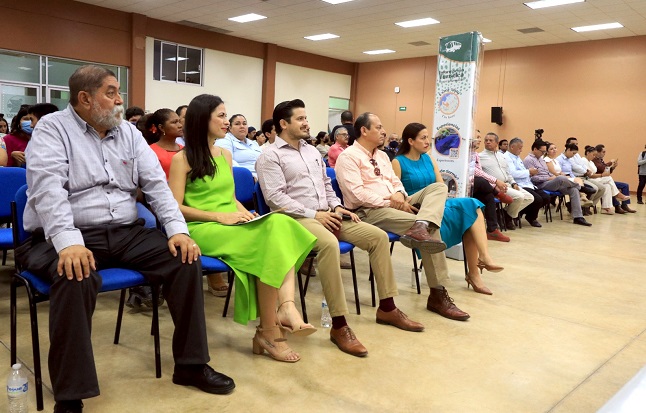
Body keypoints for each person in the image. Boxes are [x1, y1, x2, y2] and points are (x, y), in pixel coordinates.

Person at [16, 65, 235, 413]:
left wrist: (178, 231)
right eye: (111, 92)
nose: (120, 100)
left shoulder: (128, 133)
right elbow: (47, 191)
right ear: (85, 98)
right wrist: (69, 243)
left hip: (124, 231)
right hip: (58, 234)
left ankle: (191, 366)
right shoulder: (53, 129)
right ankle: (70, 395)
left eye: (119, 92)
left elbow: (157, 187)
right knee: (75, 275)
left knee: (184, 259)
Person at [256, 99, 423, 357]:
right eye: (300, 119)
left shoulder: (312, 152)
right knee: (329, 245)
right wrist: (315, 214)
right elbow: (275, 198)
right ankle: (339, 325)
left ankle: (388, 308)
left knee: (377, 237)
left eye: (306, 118)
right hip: (295, 219)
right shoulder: (270, 155)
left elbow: (326, 185)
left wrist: (336, 206)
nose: (306, 123)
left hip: (328, 214)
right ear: (283, 124)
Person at [169, 94, 317, 363]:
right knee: (269, 243)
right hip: (202, 227)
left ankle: (284, 310)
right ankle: (270, 329)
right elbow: (175, 207)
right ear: (202, 120)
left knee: (281, 222)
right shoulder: (182, 159)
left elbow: (230, 198)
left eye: (226, 115)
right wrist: (219, 217)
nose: (227, 121)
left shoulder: (224, 155)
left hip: (229, 221)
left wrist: (243, 212)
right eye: (221, 116)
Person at [336, 112, 471, 322]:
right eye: (378, 127)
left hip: (396, 202)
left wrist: (399, 194)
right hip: (369, 210)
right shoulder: (348, 157)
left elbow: (395, 182)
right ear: (364, 130)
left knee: (438, 188)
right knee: (431, 229)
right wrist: (392, 202)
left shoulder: (382, 156)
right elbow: (357, 195)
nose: (383, 131)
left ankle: (422, 223)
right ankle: (437, 294)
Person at [392, 123, 503, 295]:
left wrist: (439, 203)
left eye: (428, 137)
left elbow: (440, 186)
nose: (428, 141)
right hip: (416, 208)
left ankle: (483, 259)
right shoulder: (397, 162)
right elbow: (397, 191)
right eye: (423, 138)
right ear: (411, 141)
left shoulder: (429, 159)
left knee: (472, 207)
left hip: (437, 203)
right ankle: (475, 273)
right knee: (468, 217)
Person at [523, 140, 592, 226]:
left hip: (551, 182)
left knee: (573, 190)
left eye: (544, 151)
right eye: (542, 151)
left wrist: (552, 176)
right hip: (541, 184)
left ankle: (578, 217)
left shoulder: (541, 159)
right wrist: (550, 178)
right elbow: (533, 178)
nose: (543, 153)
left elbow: (548, 172)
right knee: (560, 178)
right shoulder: (528, 160)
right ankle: (581, 188)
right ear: (535, 149)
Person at [479, 132, 534, 230]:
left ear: (497, 143)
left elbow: (508, 173)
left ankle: (503, 214)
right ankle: (508, 218)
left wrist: (513, 183)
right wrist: (493, 184)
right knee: (519, 196)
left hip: (508, 184)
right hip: (496, 187)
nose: (488, 142)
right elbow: (480, 174)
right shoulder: (480, 157)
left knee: (530, 198)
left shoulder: (501, 156)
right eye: (486, 140)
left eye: (491, 140)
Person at [470, 131, 512, 241]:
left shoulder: (475, 154)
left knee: (488, 197)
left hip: (478, 187)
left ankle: (492, 230)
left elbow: (507, 172)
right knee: (481, 181)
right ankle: (497, 193)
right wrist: (495, 182)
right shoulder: (466, 153)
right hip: (465, 187)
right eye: (478, 137)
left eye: (480, 137)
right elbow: (474, 171)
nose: (480, 140)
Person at [504, 137, 550, 227]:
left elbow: (522, 171)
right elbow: (513, 173)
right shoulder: (507, 157)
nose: (521, 150)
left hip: (528, 183)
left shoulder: (517, 157)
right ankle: (531, 217)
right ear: (512, 147)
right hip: (519, 184)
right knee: (537, 199)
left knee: (546, 198)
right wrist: (528, 172)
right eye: (520, 148)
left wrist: (530, 173)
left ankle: (519, 212)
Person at [583, 146, 629, 214]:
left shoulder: (592, 162)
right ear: (588, 153)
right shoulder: (584, 160)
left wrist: (612, 168)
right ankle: (617, 194)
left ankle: (606, 208)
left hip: (597, 178)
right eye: (593, 155)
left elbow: (605, 170)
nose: (594, 156)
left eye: (595, 155)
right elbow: (591, 174)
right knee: (609, 178)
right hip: (589, 179)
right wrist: (603, 174)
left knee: (607, 186)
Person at [555, 143, 599, 214]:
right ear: (568, 150)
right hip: (564, 180)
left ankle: (581, 204)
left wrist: (575, 177)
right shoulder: (559, 159)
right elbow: (558, 172)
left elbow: (571, 172)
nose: (573, 155)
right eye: (573, 153)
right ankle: (582, 199)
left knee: (590, 188)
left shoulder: (569, 159)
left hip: (572, 178)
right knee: (580, 188)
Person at [214, 113, 262, 178]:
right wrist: (248, 176)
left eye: (244, 124)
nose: (242, 126)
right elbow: (227, 161)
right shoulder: (225, 139)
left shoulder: (254, 143)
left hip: (263, 177)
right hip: (244, 178)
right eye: (237, 124)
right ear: (230, 128)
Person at [593, 144, 636, 213]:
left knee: (625, 185)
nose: (604, 153)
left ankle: (624, 205)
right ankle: (617, 204)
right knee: (609, 181)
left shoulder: (600, 160)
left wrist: (613, 167)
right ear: (598, 152)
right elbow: (601, 168)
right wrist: (610, 163)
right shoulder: (594, 160)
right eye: (603, 152)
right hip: (598, 179)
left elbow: (607, 171)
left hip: (604, 180)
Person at [147, 108, 184, 179]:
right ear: (161, 127)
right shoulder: (151, 152)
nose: (180, 125)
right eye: (174, 122)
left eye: (179, 121)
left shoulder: (184, 149)